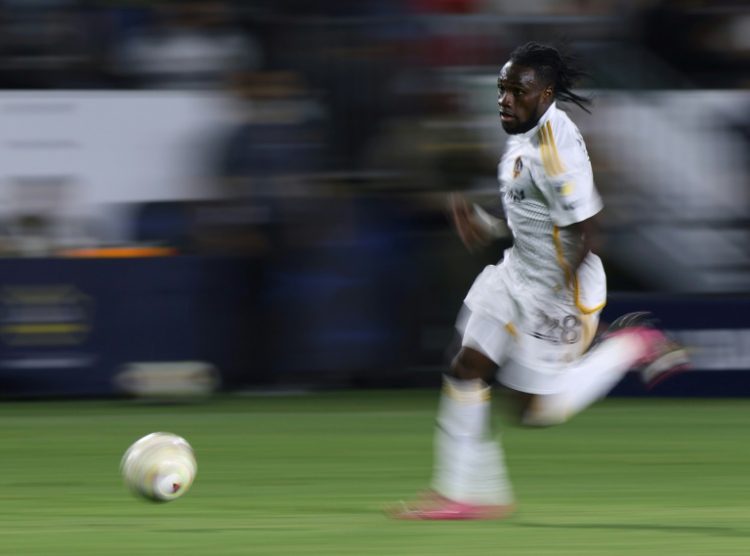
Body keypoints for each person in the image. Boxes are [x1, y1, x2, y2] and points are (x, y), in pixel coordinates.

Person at [389, 42, 689, 520]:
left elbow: (586, 233)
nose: (505, 99)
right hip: (517, 272)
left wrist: (551, 298)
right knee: (467, 367)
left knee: (534, 412)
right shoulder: (522, 134)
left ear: (546, 94)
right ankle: (465, 493)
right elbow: (534, 212)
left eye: (518, 90)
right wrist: (488, 225)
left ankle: (632, 342)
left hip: (559, 290)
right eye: (502, 88)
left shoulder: (556, 150)